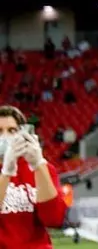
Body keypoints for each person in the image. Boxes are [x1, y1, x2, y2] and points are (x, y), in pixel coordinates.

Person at [0, 105, 65, 248]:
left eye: (12, 130)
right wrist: (6, 173)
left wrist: (38, 165)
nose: (4, 137)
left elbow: (54, 219)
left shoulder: (44, 169)